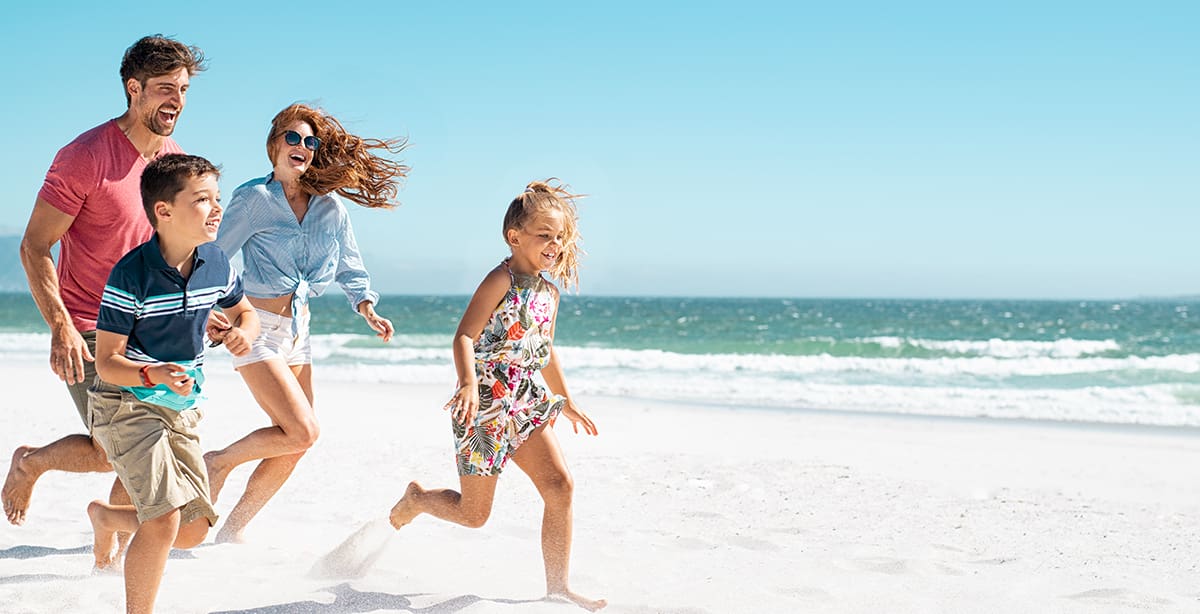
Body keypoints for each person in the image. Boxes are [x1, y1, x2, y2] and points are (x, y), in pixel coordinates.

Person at [3, 35, 207, 527]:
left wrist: (201, 305)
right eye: (164, 88)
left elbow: (170, 247)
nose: (176, 101)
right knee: (123, 446)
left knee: (130, 443)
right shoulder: (85, 156)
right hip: (92, 326)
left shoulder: (172, 159)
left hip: (151, 326)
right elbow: (34, 246)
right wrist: (61, 327)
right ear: (133, 89)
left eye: (182, 89)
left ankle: (110, 535)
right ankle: (33, 466)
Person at [388, 180, 605, 611]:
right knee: (474, 515)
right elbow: (464, 336)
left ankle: (558, 587)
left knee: (560, 486)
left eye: (559, 237)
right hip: (483, 404)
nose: (554, 244)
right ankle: (417, 500)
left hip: (525, 400)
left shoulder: (549, 293)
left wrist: (568, 398)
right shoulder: (499, 279)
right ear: (515, 237)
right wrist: (468, 383)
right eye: (544, 234)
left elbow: (543, 353)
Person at [203, 103, 406, 543]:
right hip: (254, 327)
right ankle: (217, 462)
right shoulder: (253, 200)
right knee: (302, 428)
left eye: (310, 142)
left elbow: (351, 265)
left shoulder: (329, 208)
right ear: (275, 144)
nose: (301, 147)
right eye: (293, 138)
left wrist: (366, 307)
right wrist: (207, 309)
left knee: (298, 441)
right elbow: (214, 255)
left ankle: (233, 530)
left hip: (299, 332)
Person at [86, 153, 259, 613]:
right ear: (163, 212)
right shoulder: (131, 274)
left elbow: (245, 311)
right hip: (125, 401)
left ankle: (107, 518)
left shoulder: (216, 261)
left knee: (193, 529)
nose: (217, 208)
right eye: (202, 200)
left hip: (180, 403)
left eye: (217, 198)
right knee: (163, 521)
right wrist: (150, 372)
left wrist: (243, 331)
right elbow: (106, 362)